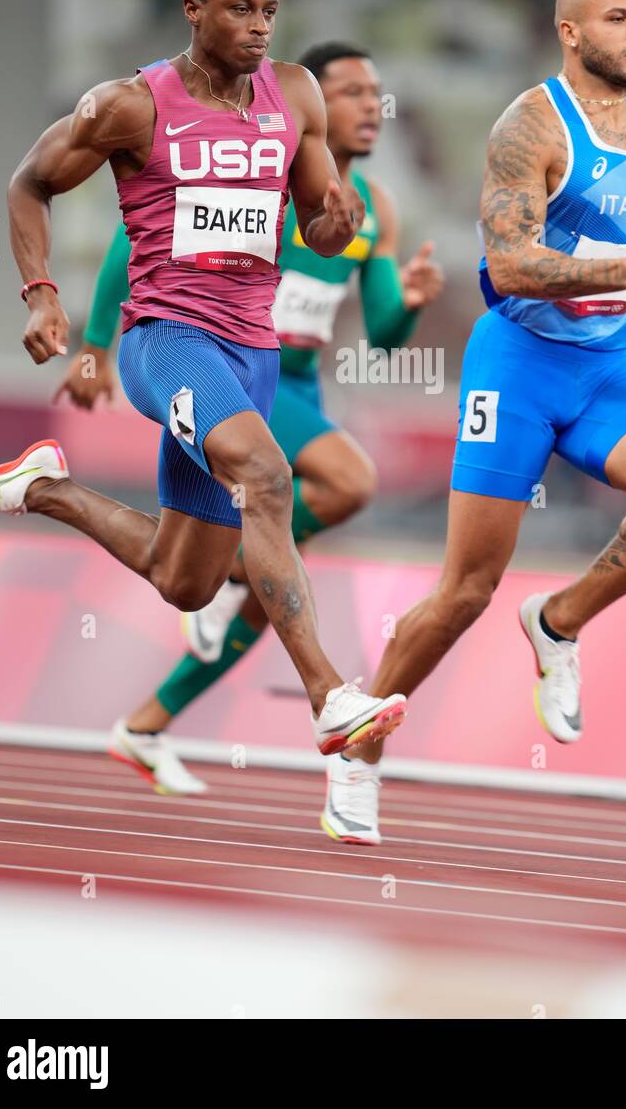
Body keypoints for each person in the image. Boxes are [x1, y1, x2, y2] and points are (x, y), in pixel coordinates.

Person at [0, 0, 407, 759]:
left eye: (270, 11)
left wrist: (339, 223)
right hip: (166, 341)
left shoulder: (295, 94)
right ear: (194, 11)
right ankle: (329, 697)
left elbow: (317, 222)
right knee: (267, 476)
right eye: (240, 8)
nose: (260, 26)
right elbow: (31, 181)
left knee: (186, 578)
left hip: (251, 352)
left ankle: (41, 490)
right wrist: (42, 292)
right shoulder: (128, 106)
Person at [320, 0, 626, 844]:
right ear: (570, 33)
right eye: (617, 19)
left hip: (610, 372)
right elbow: (509, 266)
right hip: (518, 368)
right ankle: (357, 753)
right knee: (467, 588)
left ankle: (558, 622)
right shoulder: (529, 127)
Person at [55, 42, 443, 794]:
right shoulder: (261, 162)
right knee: (346, 481)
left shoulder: (376, 211)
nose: (370, 107)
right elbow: (131, 244)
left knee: (251, 593)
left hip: (291, 384)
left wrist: (413, 303)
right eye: (351, 93)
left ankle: (148, 722)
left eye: (376, 92)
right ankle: (271, 617)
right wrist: (97, 346)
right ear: (306, 112)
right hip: (220, 371)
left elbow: (384, 333)